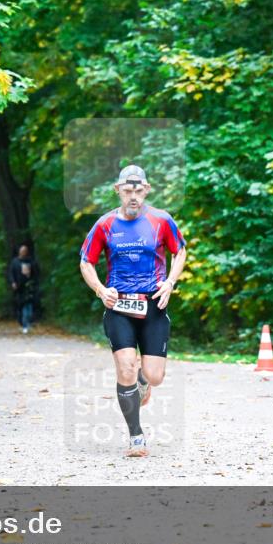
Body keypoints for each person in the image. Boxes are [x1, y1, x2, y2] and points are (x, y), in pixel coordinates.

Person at [78, 165, 187, 457]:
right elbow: (86, 262)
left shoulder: (162, 220)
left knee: (155, 376)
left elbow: (181, 251)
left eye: (139, 191)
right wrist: (101, 290)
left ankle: (143, 381)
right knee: (125, 366)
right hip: (118, 305)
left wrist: (170, 282)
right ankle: (136, 436)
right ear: (118, 191)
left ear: (147, 190)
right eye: (128, 191)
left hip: (153, 304)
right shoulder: (104, 224)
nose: (133, 196)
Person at [8, 244, 40, 334]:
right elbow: (11, 273)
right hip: (19, 288)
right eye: (22, 251)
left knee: (28, 306)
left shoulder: (31, 261)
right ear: (19, 251)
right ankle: (22, 323)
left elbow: (36, 273)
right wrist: (13, 282)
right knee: (20, 306)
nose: (23, 252)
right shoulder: (15, 262)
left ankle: (26, 324)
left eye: (25, 251)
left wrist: (34, 282)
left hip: (29, 288)